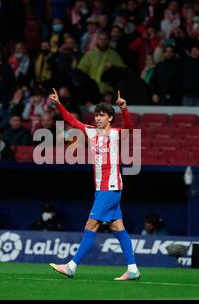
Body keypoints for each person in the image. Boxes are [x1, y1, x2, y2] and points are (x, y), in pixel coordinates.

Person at [48, 89, 140, 281]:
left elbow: (131, 129)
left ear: (110, 118)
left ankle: (71, 266)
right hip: (100, 189)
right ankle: (132, 269)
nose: (98, 118)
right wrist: (58, 104)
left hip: (111, 187)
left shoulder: (116, 134)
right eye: (96, 115)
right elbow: (71, 121)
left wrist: (124, 109)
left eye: (102, 115)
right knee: (117, 227)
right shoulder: (90, 131)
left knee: (91, 224)